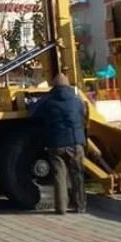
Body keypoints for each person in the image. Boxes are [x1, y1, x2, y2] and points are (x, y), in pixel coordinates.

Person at [30, 73, 87, 214]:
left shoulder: (48, 101)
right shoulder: (76, 100)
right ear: (68, 86)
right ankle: (80, 206)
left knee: (59, 175)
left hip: (56, 144)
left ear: (53, 87)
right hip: (75, 142)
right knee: (77, 174)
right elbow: (82, 114)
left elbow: (34, 112)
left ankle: (61, 208)